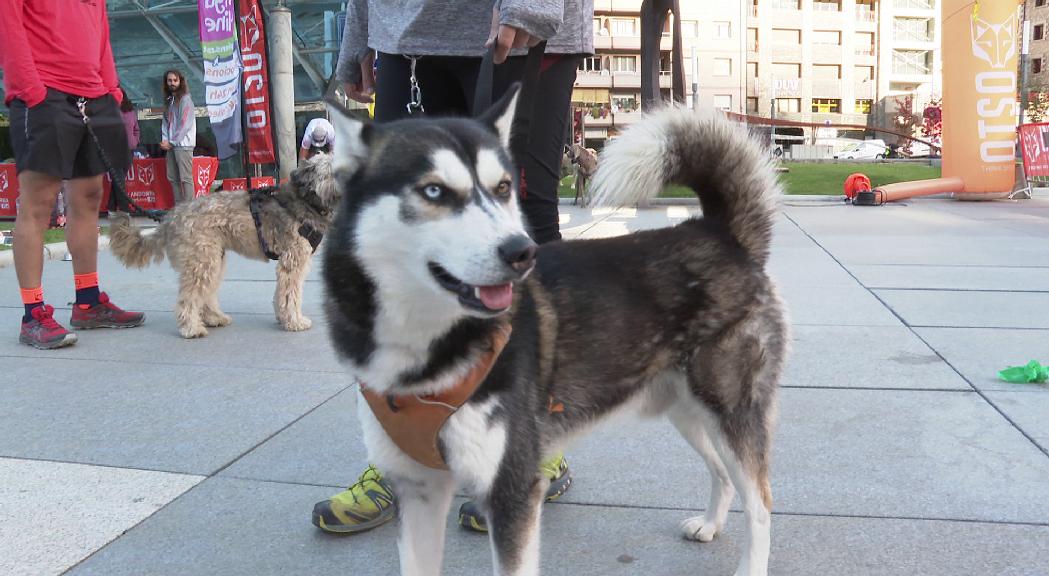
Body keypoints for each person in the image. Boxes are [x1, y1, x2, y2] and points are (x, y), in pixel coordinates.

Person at [312, 0, 593, 535]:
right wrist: (361, 38)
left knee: (524, 222)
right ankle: (402, 455)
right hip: (406, 32)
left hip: (517, 28)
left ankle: (536, 442)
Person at [0, 0, 146, 350]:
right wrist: (31, 88)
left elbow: (101, 36)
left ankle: (88, 301)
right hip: (44, 95)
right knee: (39, 203)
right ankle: (33, 314)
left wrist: (111, 90)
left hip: (94, 96)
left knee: (89, 197)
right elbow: (10, 25)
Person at [160, 69, 196, 204]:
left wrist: (172, 142)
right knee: (173, 178)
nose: (172, 83)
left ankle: (189, 210)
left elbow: (185, 124)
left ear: (180, 81)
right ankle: (179, 209)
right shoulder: (169, 100)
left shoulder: (186, 100)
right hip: (171, 145)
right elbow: (165, 122)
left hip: (183, 145)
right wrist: (165, 140)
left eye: (175, 80)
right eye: (169, 80)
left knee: (185, 178)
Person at [108, 86, 140, 213]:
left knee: (118, 180)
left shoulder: (131, 112)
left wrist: (135, 141)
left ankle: (111, 207)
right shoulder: (109, 112)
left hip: (129, 150)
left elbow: (136, 129)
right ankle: (124, 208)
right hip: (114, 150)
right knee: (119, 179)